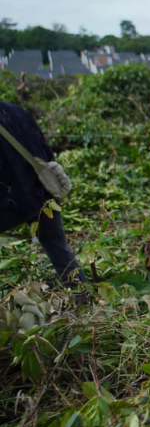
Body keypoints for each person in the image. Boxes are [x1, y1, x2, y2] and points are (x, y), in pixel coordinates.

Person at [0, 101, 88, 300]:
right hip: (41, 194)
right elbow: (45, 150)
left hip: (6, 205)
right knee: (60, 252)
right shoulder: (18, 112)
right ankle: (85, 301)